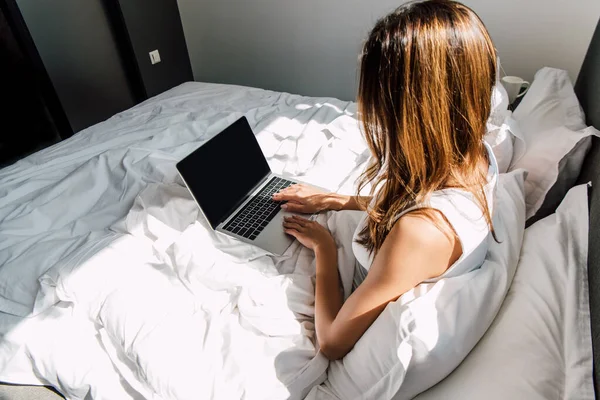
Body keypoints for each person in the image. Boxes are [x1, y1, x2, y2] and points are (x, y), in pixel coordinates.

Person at [273, 0, 499, 361]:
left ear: (413, 107)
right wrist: (338, 200)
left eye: (379, 96)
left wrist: (324, 248)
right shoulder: (478, 155)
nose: (368, 107)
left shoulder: (421, 233)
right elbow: (418, 200)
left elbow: (331, 342)